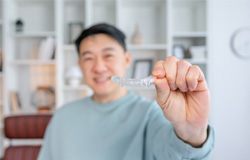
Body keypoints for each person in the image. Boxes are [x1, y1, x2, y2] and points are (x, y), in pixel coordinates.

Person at [38, 23, 214, 160]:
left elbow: (173, 153)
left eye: (108, 55)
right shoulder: (62, 117)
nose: (99, 67)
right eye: (88, 58)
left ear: (127, 59)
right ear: (80, 65)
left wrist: (191, 133)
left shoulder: (150, 114)